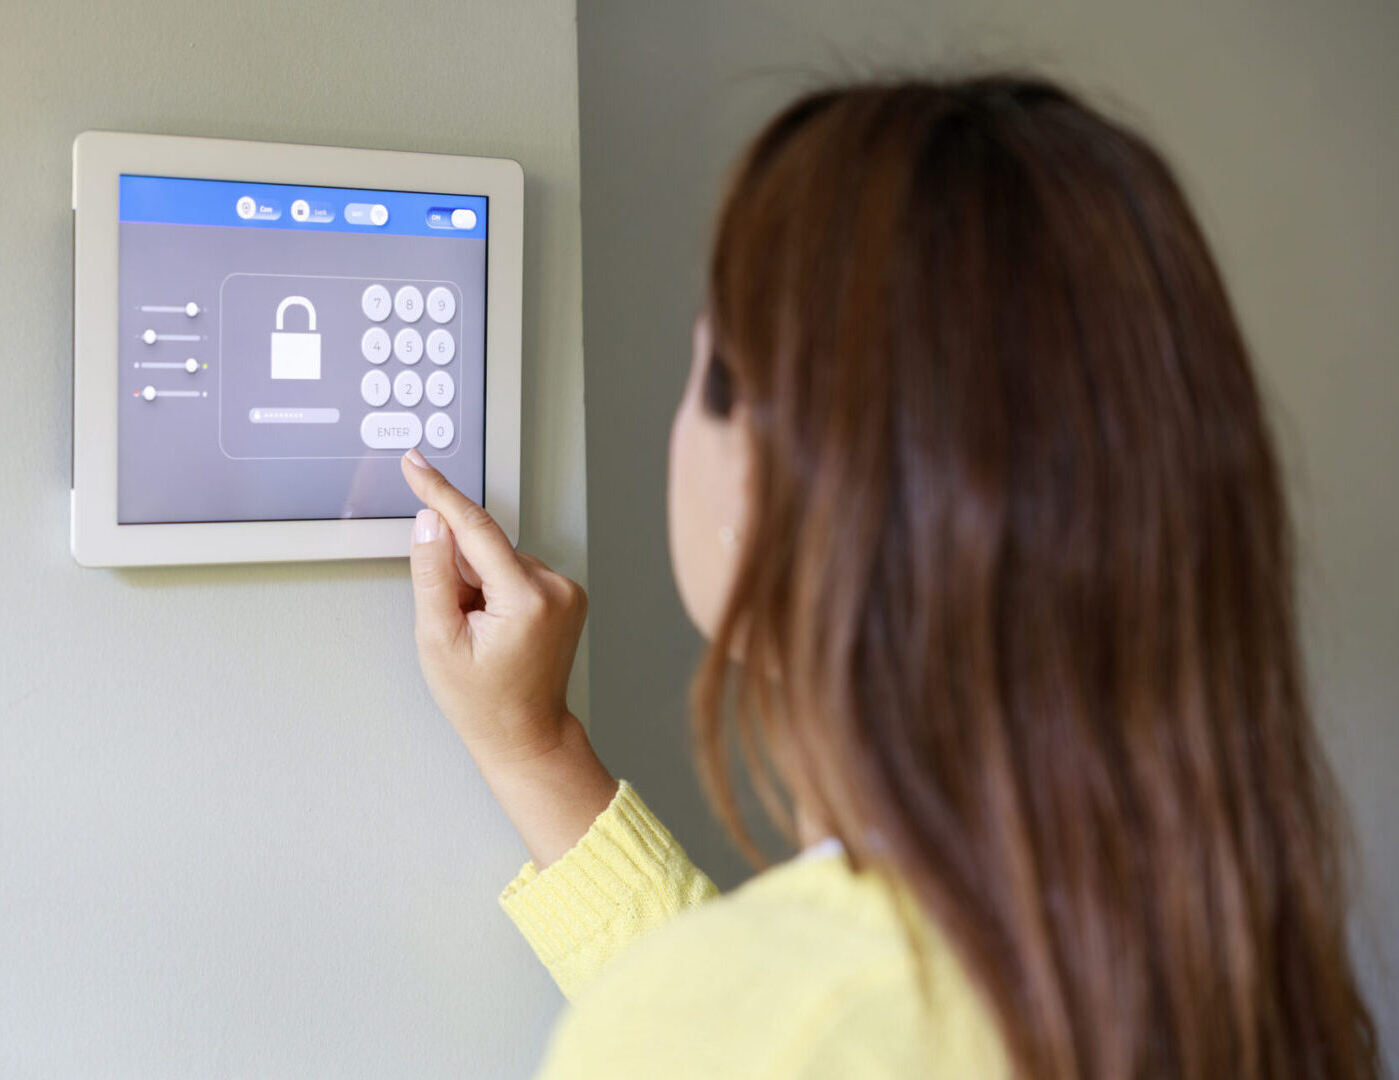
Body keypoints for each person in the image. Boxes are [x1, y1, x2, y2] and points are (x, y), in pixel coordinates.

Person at [395, 75, 1379, 1079]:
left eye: (707, 369)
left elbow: (759, 1030)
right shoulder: (1225, 949)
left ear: (775, 486)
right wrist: (534, 748)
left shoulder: (731, 1032)